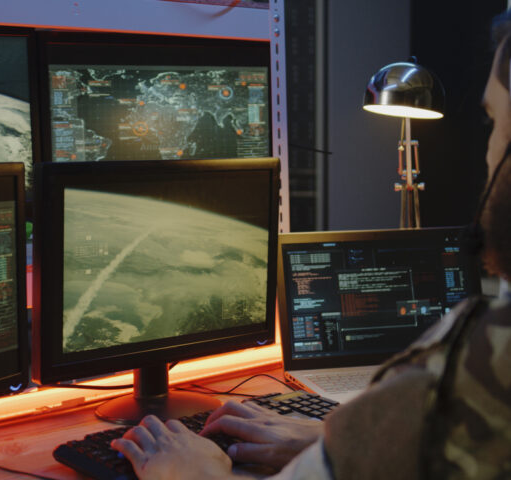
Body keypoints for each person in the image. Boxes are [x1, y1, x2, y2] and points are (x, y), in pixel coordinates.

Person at [111, 10, 511, 480]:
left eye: (493, 122)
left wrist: (193, 473)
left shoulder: (478, 364)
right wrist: (332, 441)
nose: (488, 150)